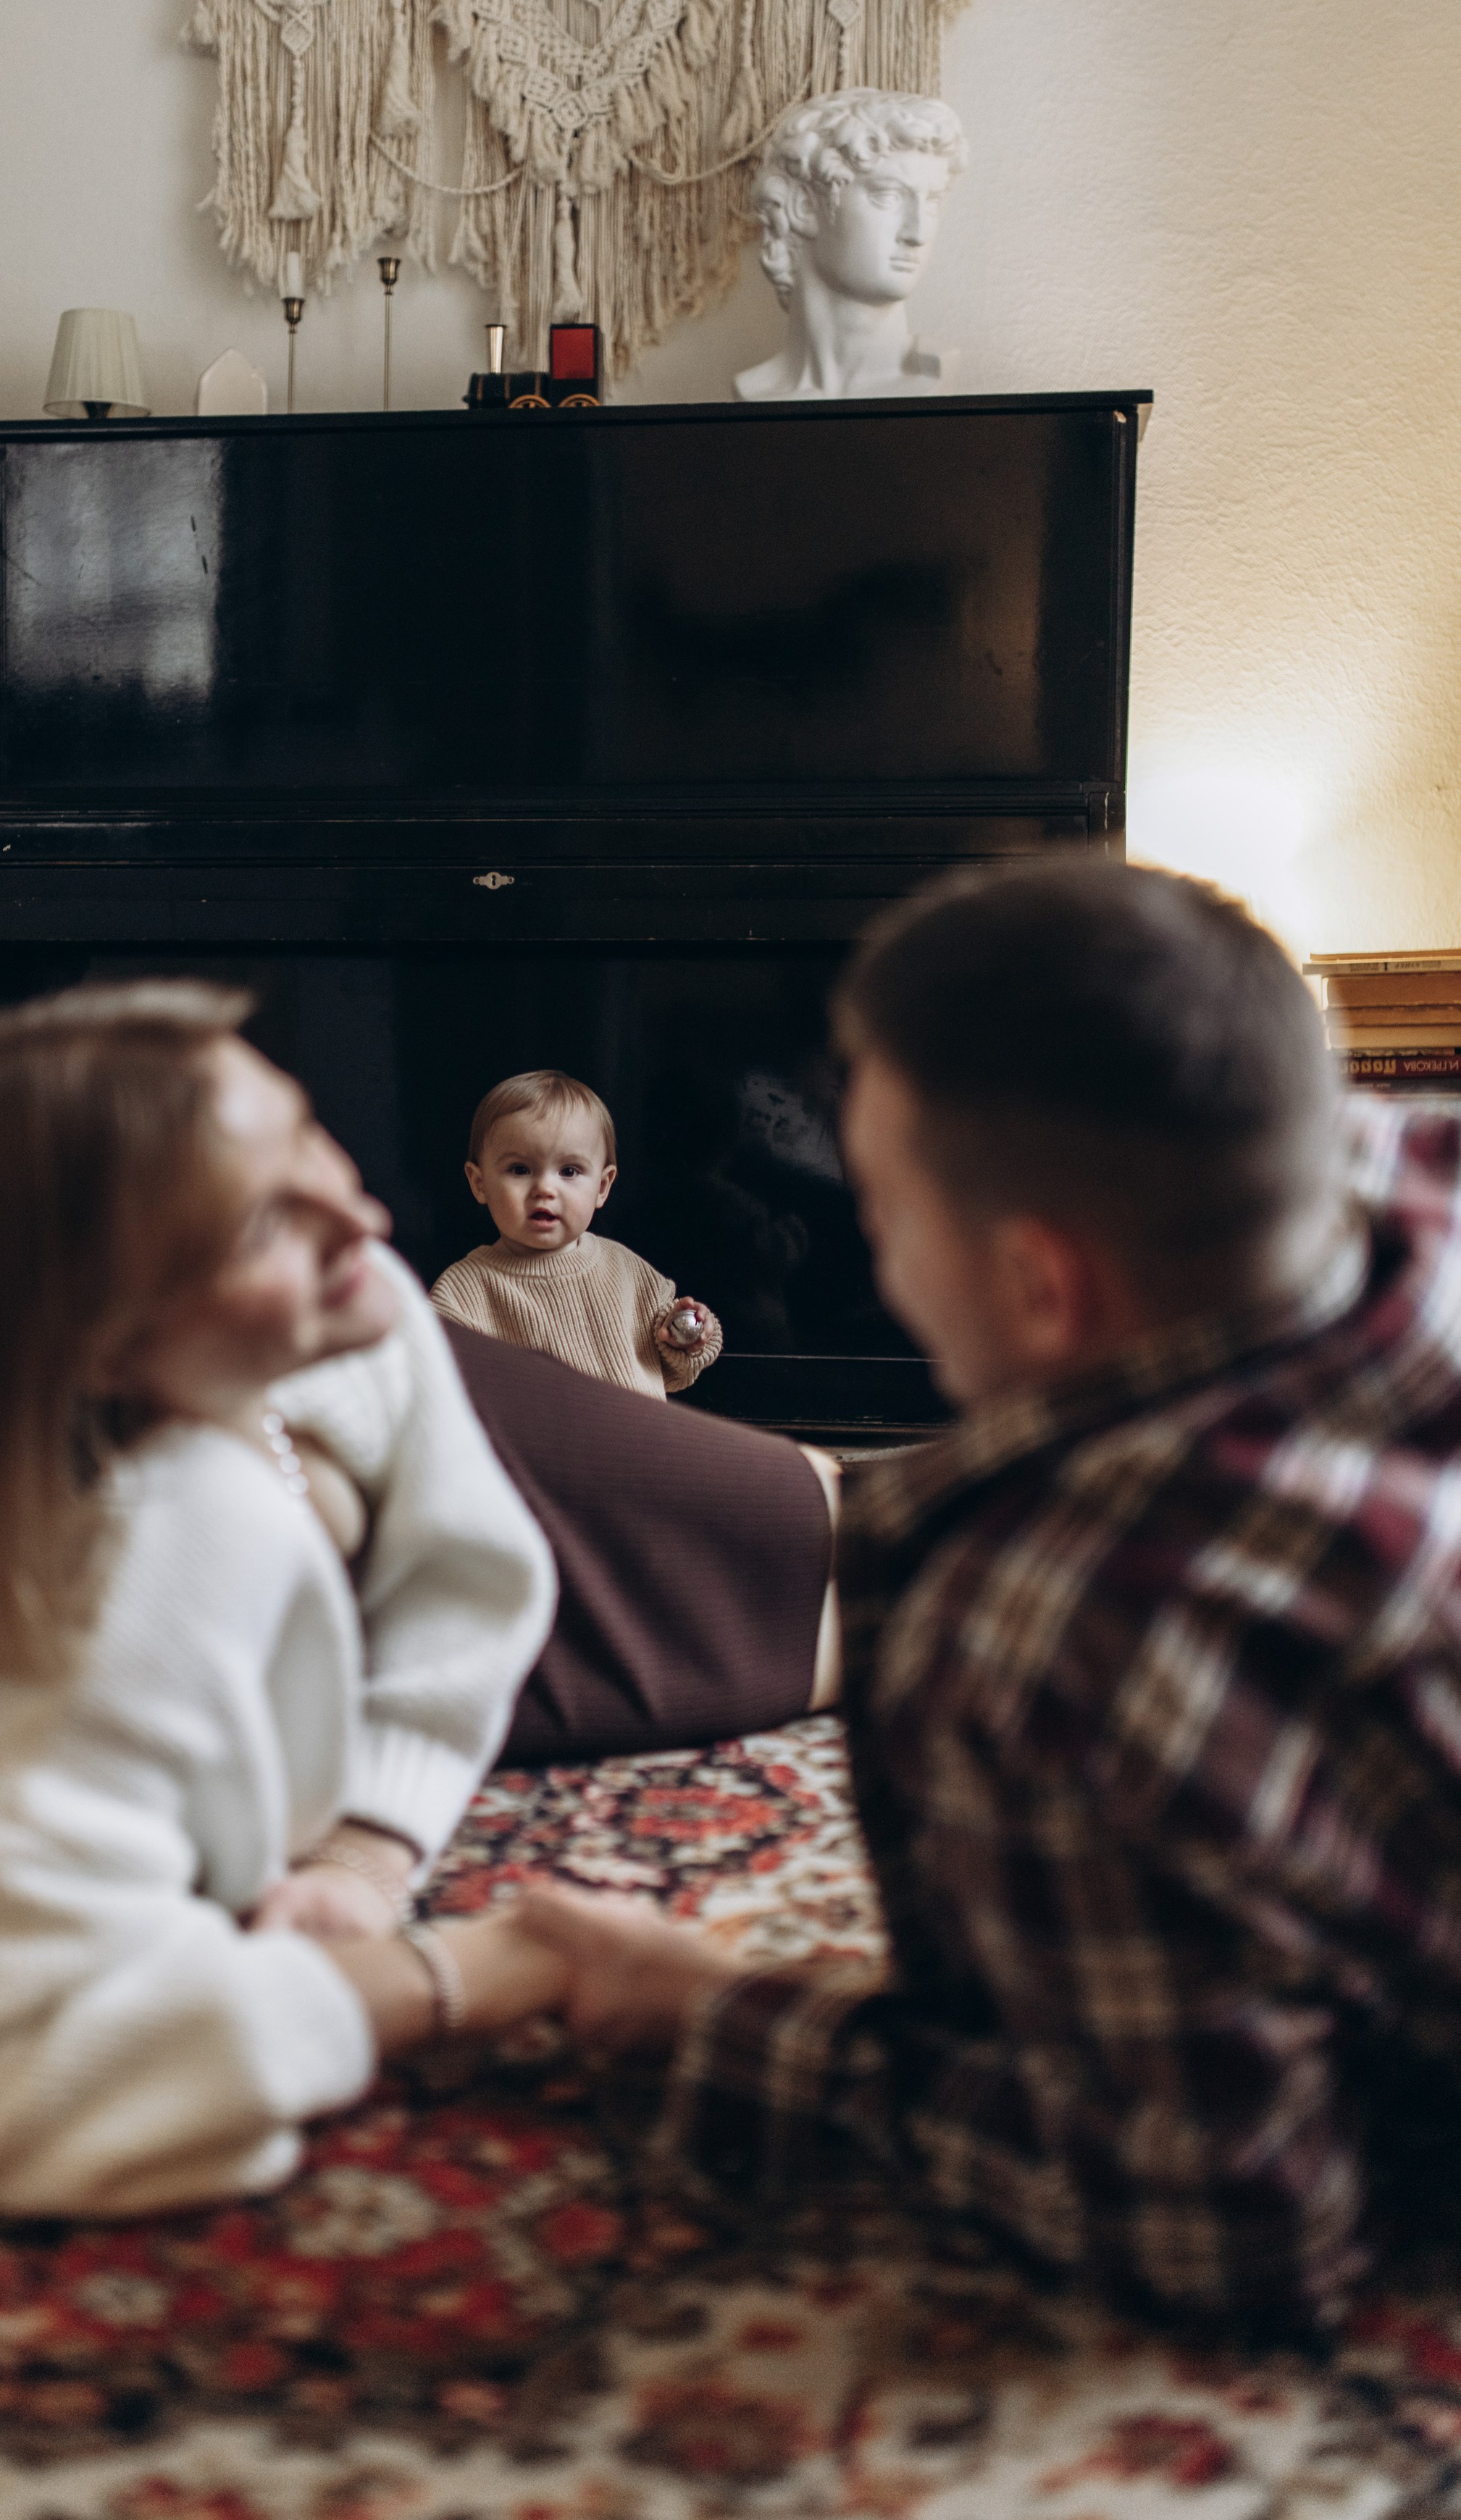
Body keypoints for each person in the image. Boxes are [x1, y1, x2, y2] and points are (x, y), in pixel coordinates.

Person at [514, 858, 1461, 2333]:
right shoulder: (1417, 1178)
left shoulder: (1046, 1628)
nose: (866, 1248)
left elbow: (1222, 2224)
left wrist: (721, 2017)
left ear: (1036, 1284)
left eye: (875, 1210)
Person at [0, 983, 571, 2217]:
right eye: (252, 1227)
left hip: (532, 1487)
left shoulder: (350, 1286)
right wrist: (469, 1976)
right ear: (94, 1343)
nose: (360, 1214)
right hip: (501, 1572)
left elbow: (474, 1566)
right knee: (859, 1585)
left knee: (851, 1527)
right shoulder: (173, 1543)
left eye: (304, 1129)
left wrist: (371, 1845)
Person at [430, 1069, 723, 1400]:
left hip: (643, 1447)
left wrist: (690, 1337)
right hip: (543, 1452)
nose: (544, 1189)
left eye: (569, 1171)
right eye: (520, 1170)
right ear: (479, 1183)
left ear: (602, 1187)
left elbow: (676, 1371)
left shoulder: (627, 1272)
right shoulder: (464, 1294)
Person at [734, 87, 968, 403]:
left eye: (932, 202)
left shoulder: (935, 376)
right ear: (803, 207)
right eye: (888, 197)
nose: (917, 234)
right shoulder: (756, 392)